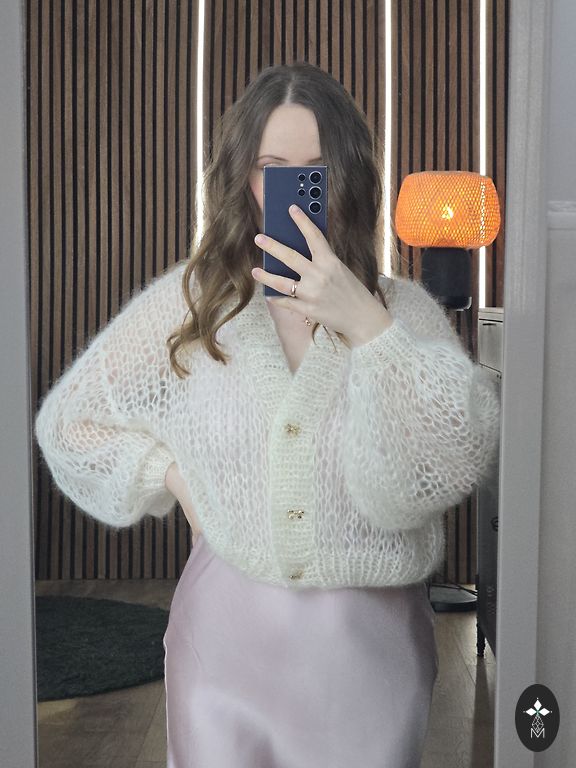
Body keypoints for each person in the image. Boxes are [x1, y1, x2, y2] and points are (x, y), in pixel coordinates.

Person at [34, 61, 501, 768]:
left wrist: (367, 325)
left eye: (315, 170)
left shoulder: (401, 313)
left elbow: (450, 457)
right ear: (243, 179)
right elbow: (68, 424)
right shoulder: (195, 305)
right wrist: (174, 480)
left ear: (347, 178)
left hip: (370, 660)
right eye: (271, 169)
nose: (293, 189)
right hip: (223, 647)